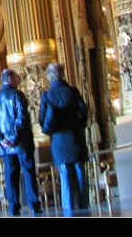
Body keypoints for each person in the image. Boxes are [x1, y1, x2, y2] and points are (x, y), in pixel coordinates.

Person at [0, 69, 42, 216]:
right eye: (17, 78)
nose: (19, 81)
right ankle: (34, 205)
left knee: (10, 176)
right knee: (29, 173)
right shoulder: (17, 95)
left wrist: (2, 139)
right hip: (22, 143)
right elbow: (21, 118)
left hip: (5, 147)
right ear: (10, 80)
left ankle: (13, 207)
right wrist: (13, 137)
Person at [39, 62, 89, 214]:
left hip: (59, 140)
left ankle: (67, 206)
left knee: (64, 173)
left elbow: (42, 120)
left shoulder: (47, 95)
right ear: (62, 74)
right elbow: (84, 111)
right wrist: (79, 125)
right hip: (75, 136)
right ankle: (83, 203)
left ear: (49, 77)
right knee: (80, 170)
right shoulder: (73, 92)